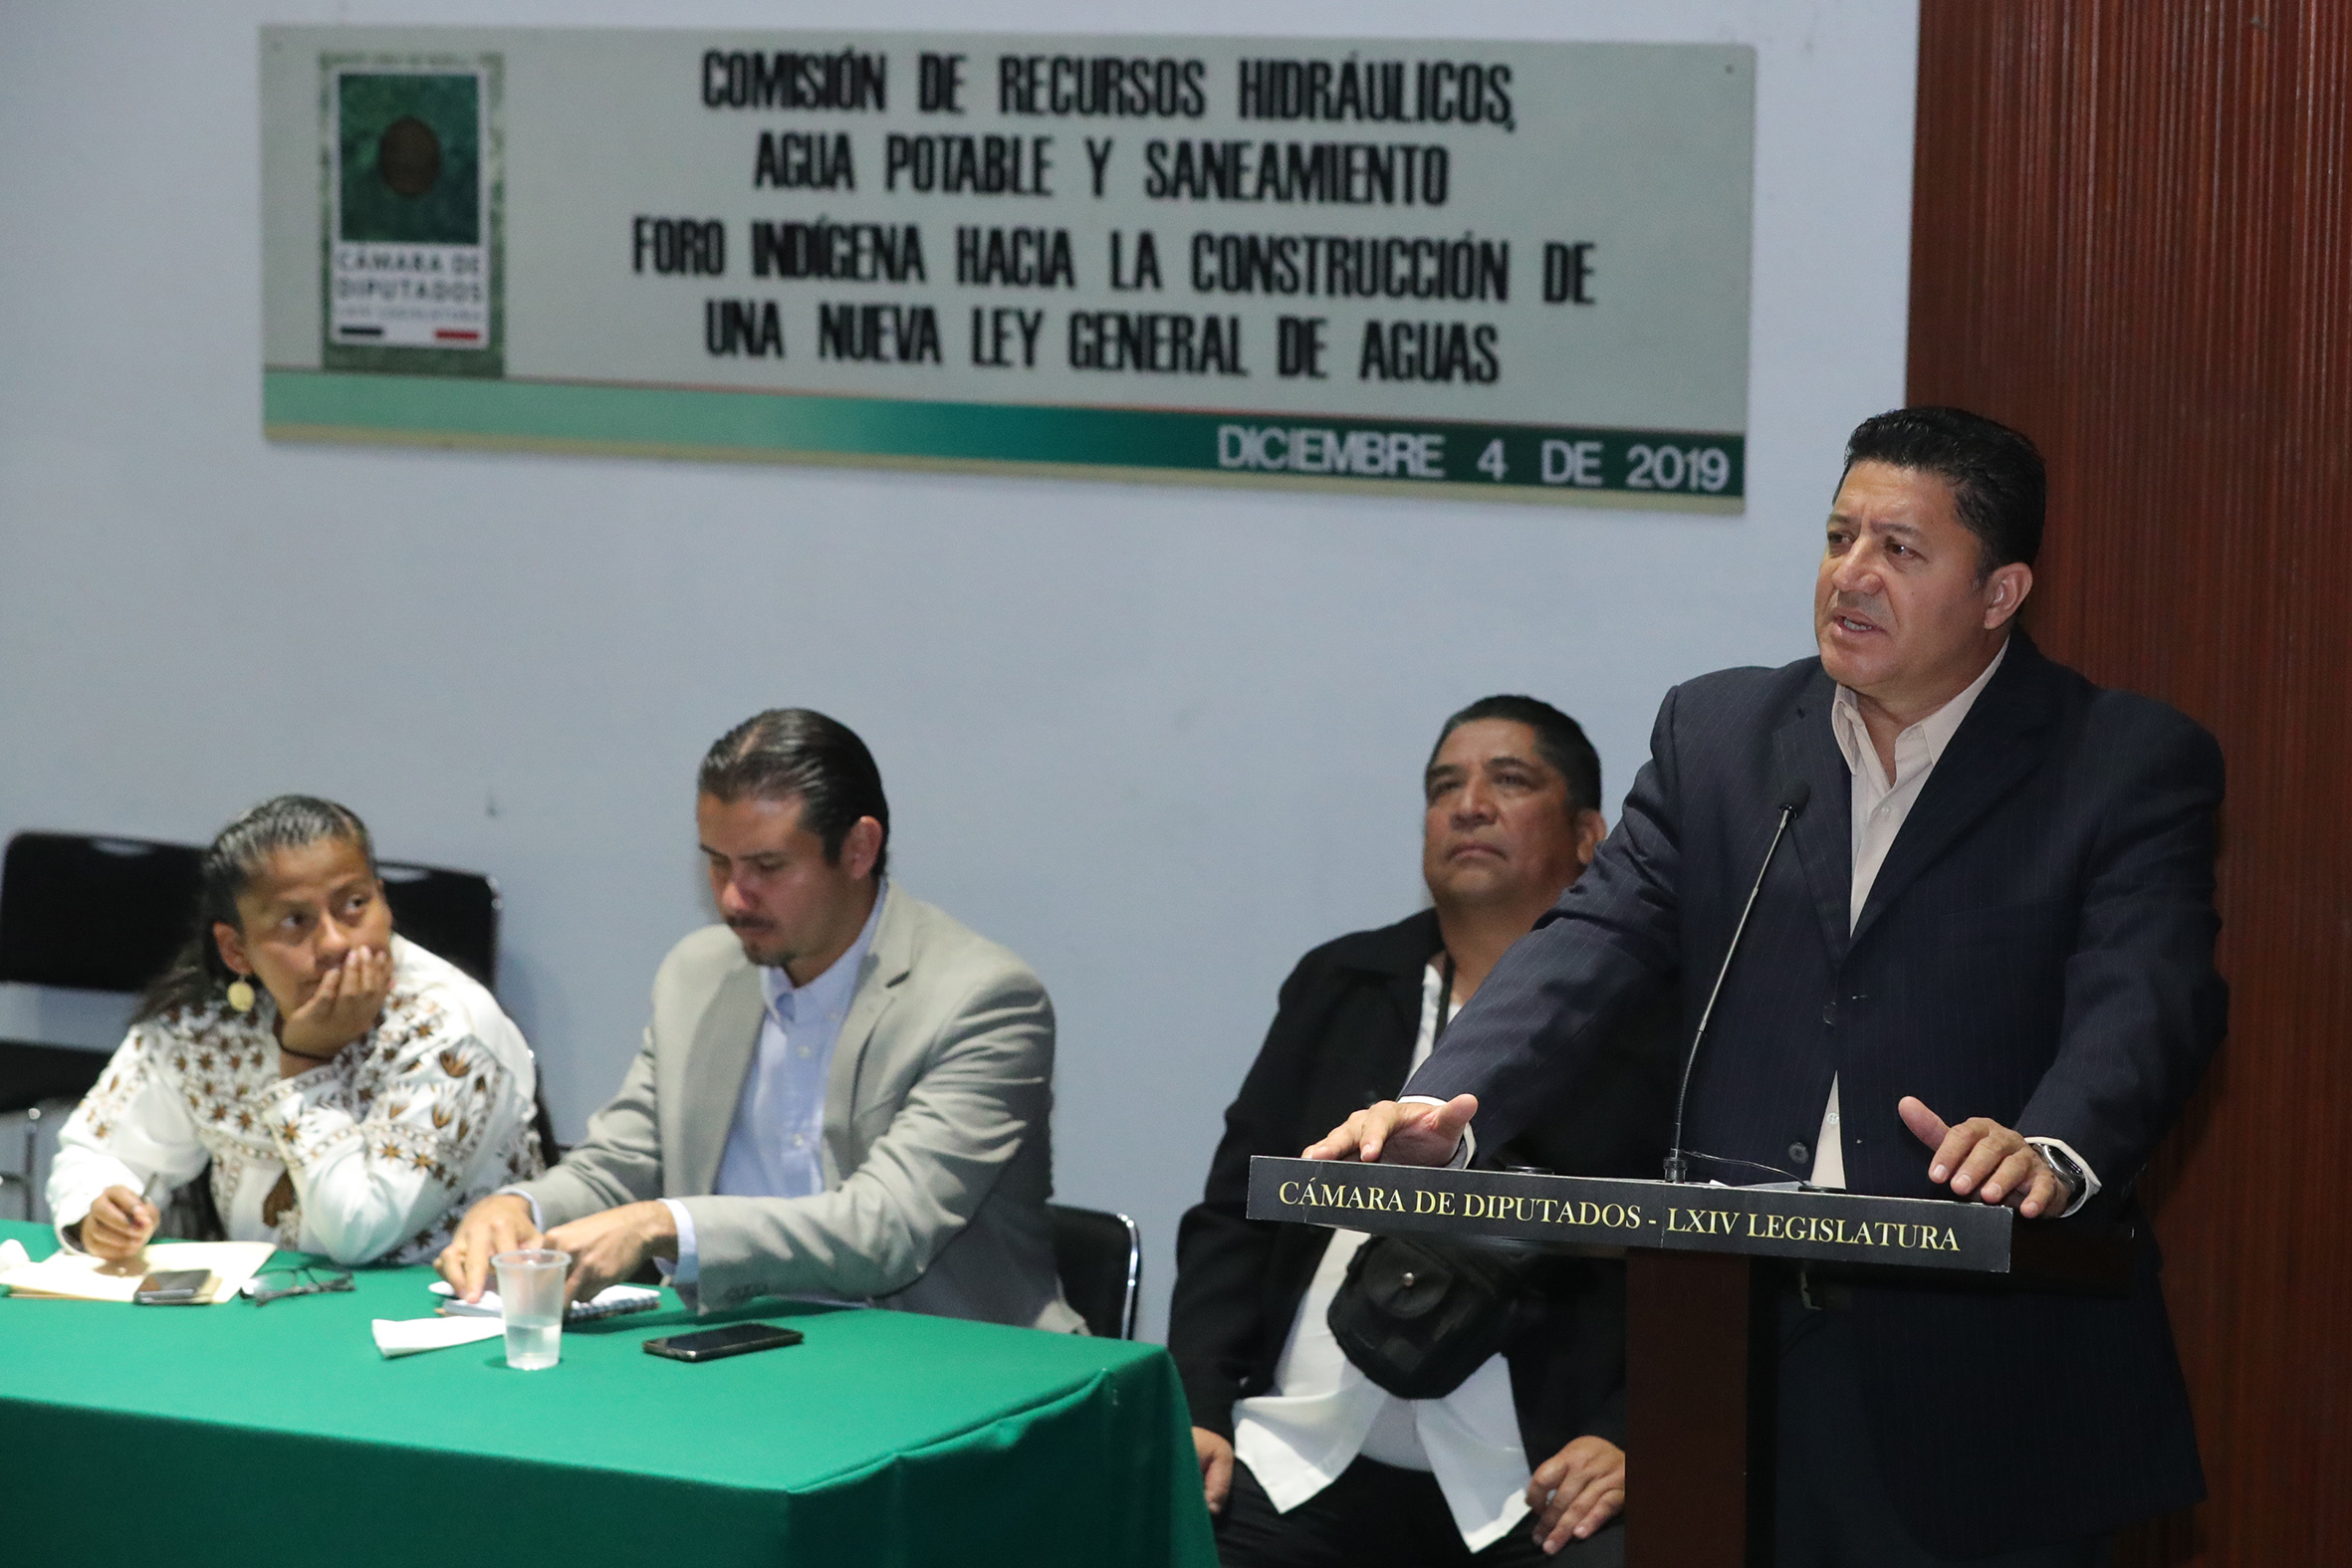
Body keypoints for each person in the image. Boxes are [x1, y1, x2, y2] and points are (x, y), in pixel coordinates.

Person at [1307, 407, 2224, 1566]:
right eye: (1839, 537)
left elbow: (2147, 995)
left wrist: (2053, 1146)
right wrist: (1445, 1103)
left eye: (1899, 549)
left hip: (1980, 1377)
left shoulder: (2120, 760)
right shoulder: (1722, 736)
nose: (1851, 574)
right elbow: (1592, 939)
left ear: (1999, 593)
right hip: (1732, 1358)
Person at [1170, 697, 1678, 1566]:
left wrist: (1631, 1430)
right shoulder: (1344, 982)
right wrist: (1199, 1406)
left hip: (1534, 1476)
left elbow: (1702, 1254)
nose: (1467, 805)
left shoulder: (1664, 1018)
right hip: (1299, 1456)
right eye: (1444, 786)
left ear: (1590, 836)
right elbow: (1234, 1213)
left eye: (1508, 780)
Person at [437, 708, 1081, 1331]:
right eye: (717, 861)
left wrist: (663, 1226)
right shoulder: (696, 976)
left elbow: (886, 1228)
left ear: (859, 848)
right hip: (741, 1344)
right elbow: (620, 1164)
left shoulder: (983, 1001)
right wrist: (519, 1206)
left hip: (945, 1358)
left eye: (767, 867)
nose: (731, 896)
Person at [47, 795, 544, 1266]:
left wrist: (307, 1065)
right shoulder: (209, 1020)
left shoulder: (451, 1027)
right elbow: (99, 1152)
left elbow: (359, 1231)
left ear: (383, 901)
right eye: (295, 920)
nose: (334, 943)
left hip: (434, 1308)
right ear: (235, 950)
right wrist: (100, 1211)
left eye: (355, 904)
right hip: (262, 1301)